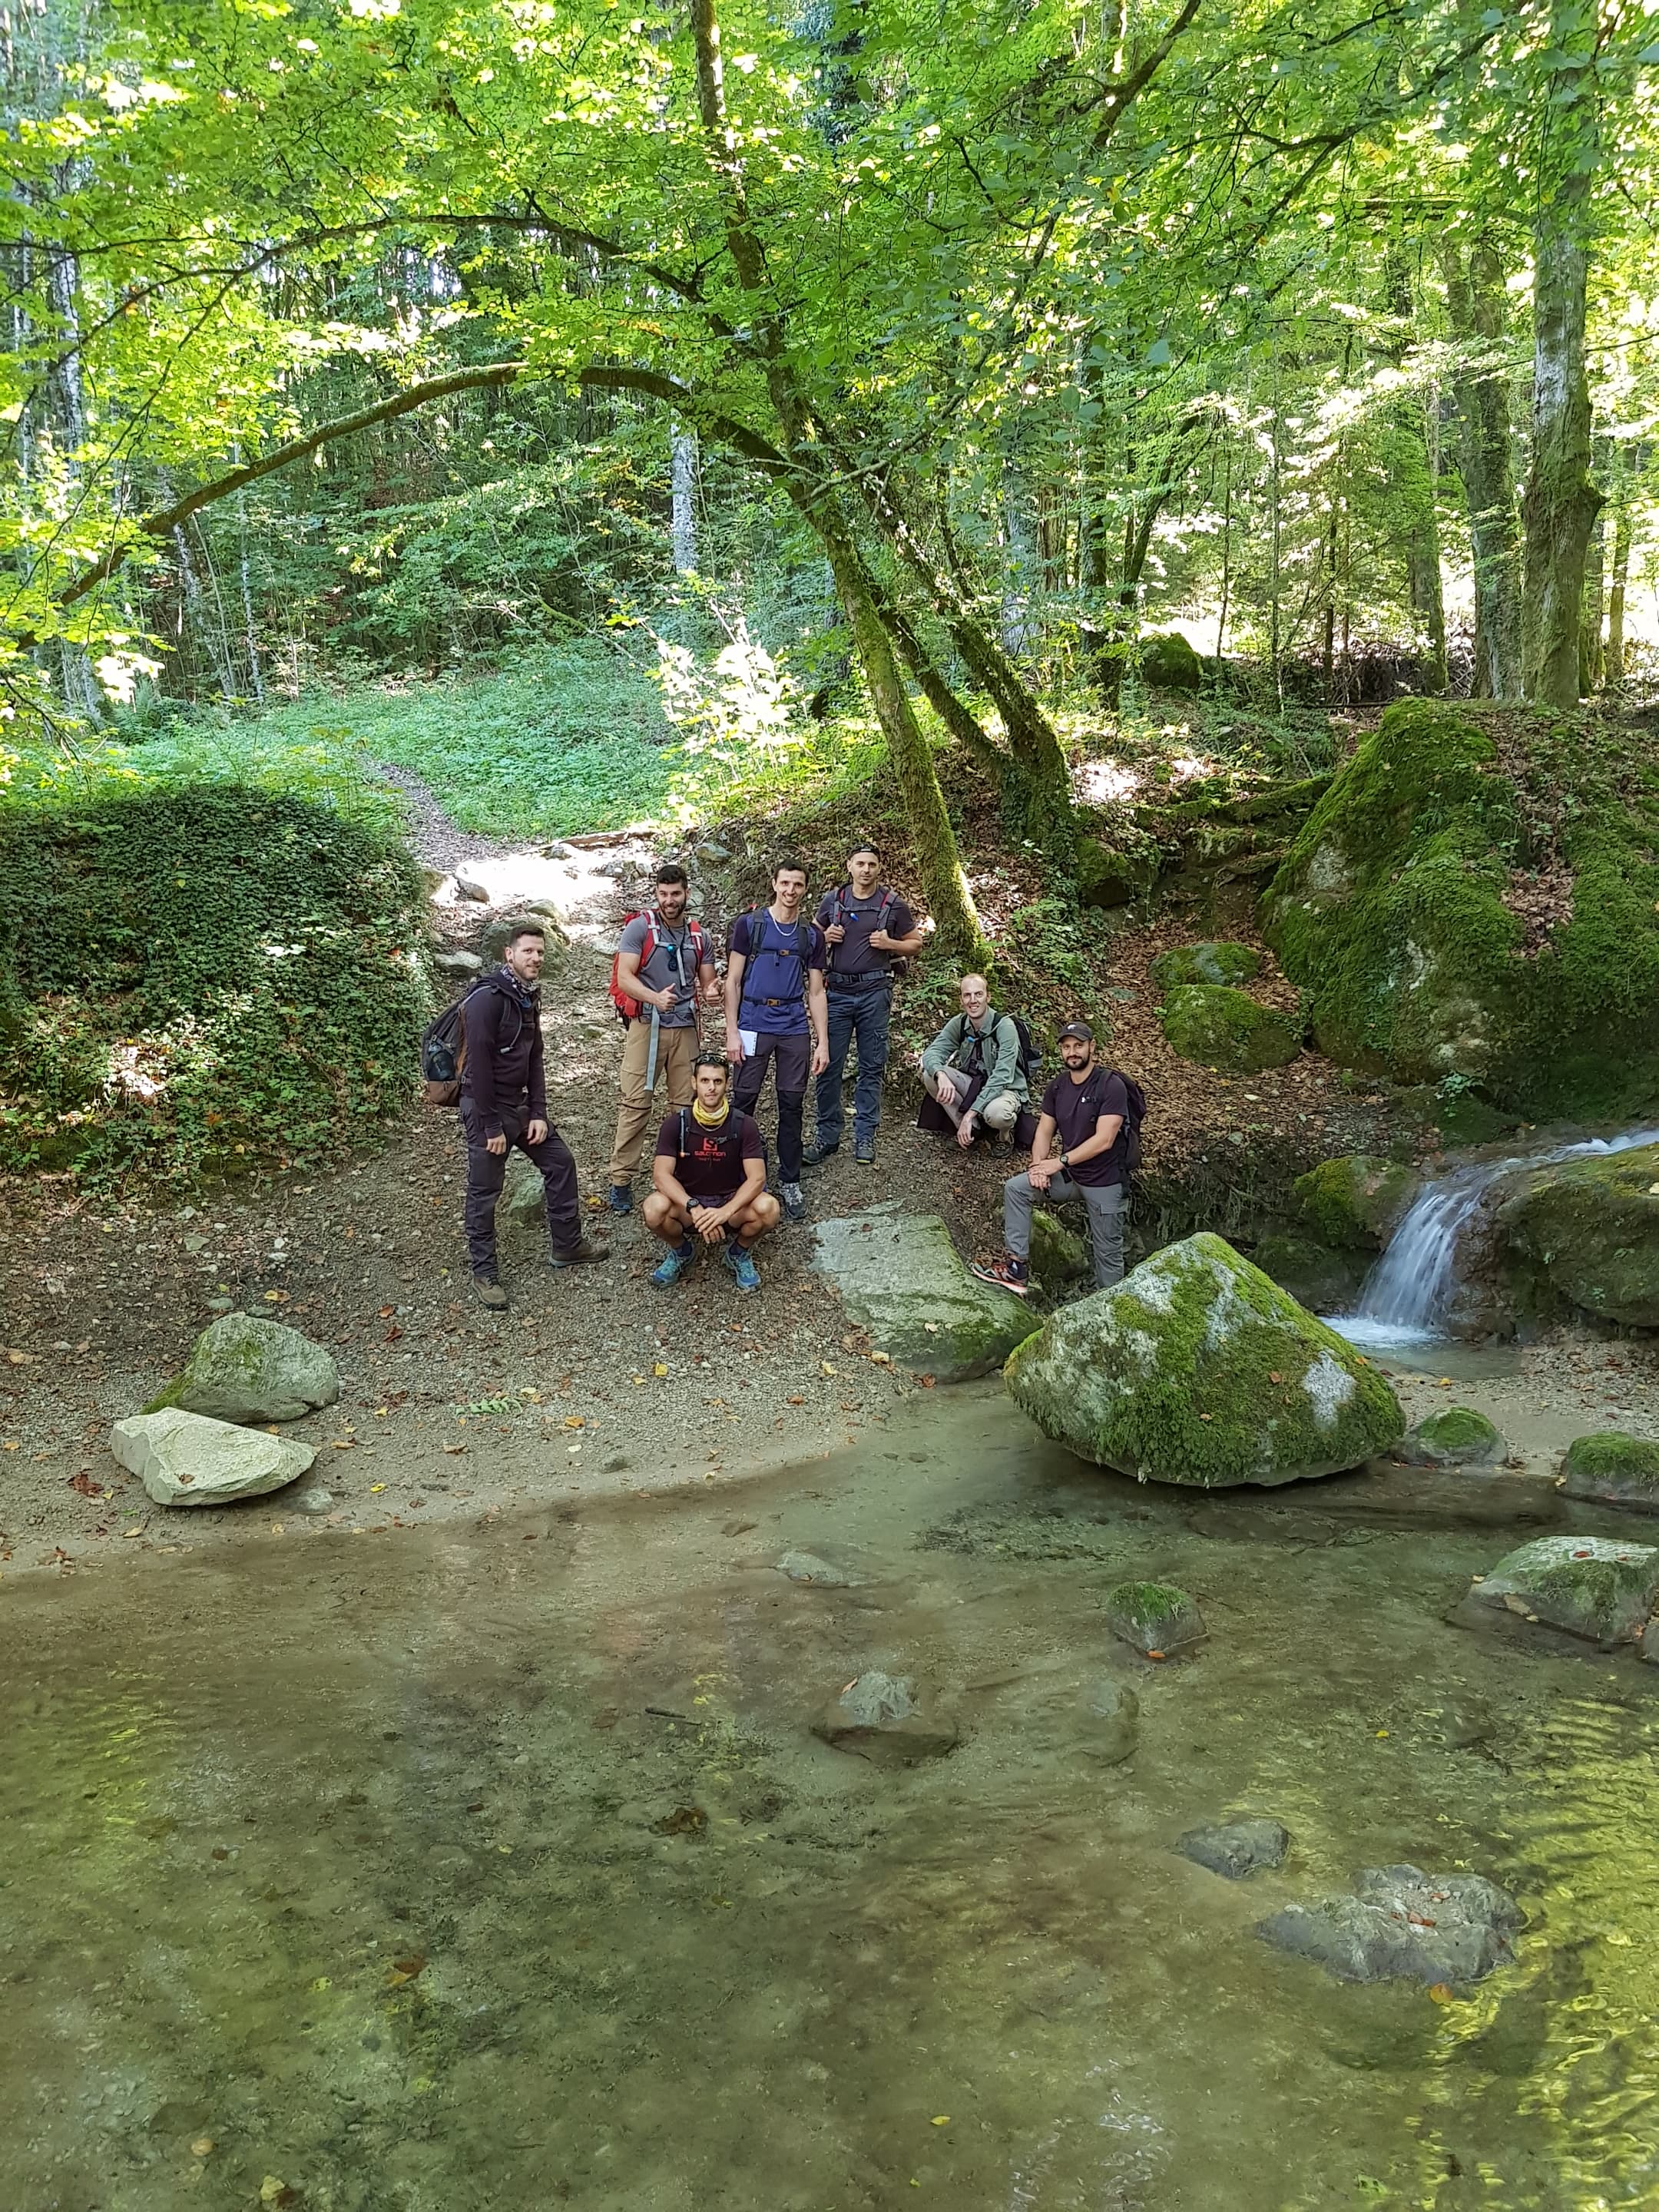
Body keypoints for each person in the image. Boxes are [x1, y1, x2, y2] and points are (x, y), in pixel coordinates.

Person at [458, 925, 607, 1310]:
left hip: (520, 1106)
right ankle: (484, 1273)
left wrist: (538, 1112)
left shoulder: (526, 996)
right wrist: (491, 1126)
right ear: (509, 954)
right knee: (485, 1191)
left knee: (560, 1162)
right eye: (528, 951)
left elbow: (535, 1056)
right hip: (485, 1108)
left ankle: (567, 1246)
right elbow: (478, 1067)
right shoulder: (486, 999)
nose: (536, 958)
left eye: (540, 952)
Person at [972, 1021, 1130, 1297]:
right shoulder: (1058, 1087)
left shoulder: (1110, 1085)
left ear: (1092, 1047)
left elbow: (1104, 1139)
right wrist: (1037, 1167)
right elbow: (1044, 1131)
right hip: (1072, 1176)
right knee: (1017, 1188)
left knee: (1108, 1254)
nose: (1073, 1052)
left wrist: (1059, 1162)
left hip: (1105, 1181)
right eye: (1067, 1047)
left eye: (1078, 1046)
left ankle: (1112, 1304)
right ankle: (1016, 1268)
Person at [806, 839, 929, 1168]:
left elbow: (916, 944)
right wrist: (824, 937)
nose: (866, 870)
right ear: (849, 866)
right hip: (837, 993)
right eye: (860, 864)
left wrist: (890, 943)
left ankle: (865, 1136)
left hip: (875, 993)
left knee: (871, 1066)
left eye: (872, 864)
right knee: (828, 1065)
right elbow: (810, 937)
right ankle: (827, 1136)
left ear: (879, 868)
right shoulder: (834, 900)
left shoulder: (893, 904)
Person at [606, 862, 718, 1215]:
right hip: (647, 1026)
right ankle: (621, 1179)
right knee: (635, 1102)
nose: (670, 900)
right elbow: (625, 977)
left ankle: (682, 1174)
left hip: (685, 1028)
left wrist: (714, 992)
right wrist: (654, 998)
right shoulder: (640, 929)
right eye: (664, 894)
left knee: (686, 1106)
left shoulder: (699, 936)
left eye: (676, 894)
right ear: (656, 893)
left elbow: (707, 983)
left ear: (687, 894)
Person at [725, 858, 829, 1223]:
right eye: (785, 883)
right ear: (774, 884)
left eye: (797, 885)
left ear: (805, 889)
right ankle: (737, 1175)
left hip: (793, 1025)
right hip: (753, 1021)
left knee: (792, 1103)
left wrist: (823, 1042)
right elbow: (732, 981)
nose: (790, 891)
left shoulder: (811, 936)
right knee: (744, 1101)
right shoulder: (749, 925)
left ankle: (790, 1179)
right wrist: (732, 1031)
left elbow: (816, 992)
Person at [644, 1051, 780, 1291]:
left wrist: (725, 1212)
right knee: (653, 1208)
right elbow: (661, 1175)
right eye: (705, 1081)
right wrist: (693, 1207)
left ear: (727, 1084)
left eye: (718, 1081)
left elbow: (757, 1177)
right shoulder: (676, 1124)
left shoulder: (744, 1124)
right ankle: (681, 1251)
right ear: (694, 1083)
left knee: (769, 1209)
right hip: (689, 1205)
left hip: (731, 1203)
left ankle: (738, 1252)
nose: (711, 1088)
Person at [919, 974, 1031, 1148]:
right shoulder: (960, 1023)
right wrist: (941, 1075)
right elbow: (932, 1053)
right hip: (974, 1084)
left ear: (988, 997)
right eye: (967, 995)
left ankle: (1004, 1137)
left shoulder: (1005, 1027)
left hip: (1005, 1089)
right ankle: (970, 1130)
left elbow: (1002, 1076)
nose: (973, 1000)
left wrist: (970, 1113)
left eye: (978, 994)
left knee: (997, 1114)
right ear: (961, 1000)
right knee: (930, 1075)